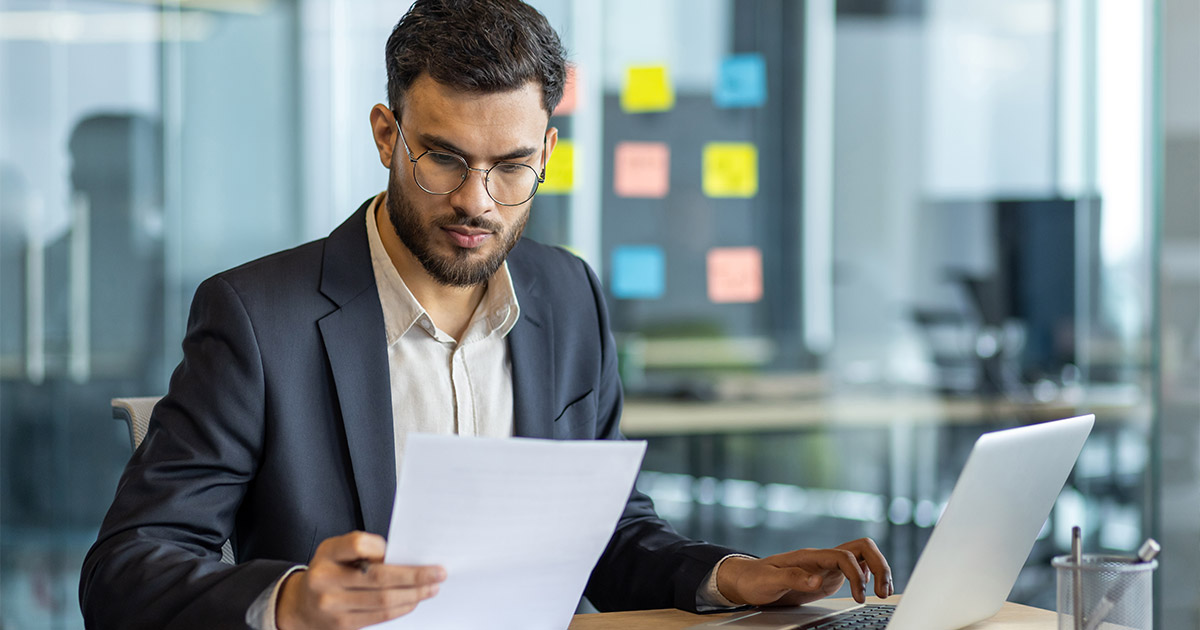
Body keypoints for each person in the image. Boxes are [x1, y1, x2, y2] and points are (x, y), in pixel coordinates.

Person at [79, 1, 892, 628]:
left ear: (548, 152)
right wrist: (291, 602)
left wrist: (731, 575)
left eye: (512, 167)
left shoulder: (568, 296)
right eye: (444, 159)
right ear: (386, 134)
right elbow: (124, 570)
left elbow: (607, 534)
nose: (477, 201)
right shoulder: (258, 317)